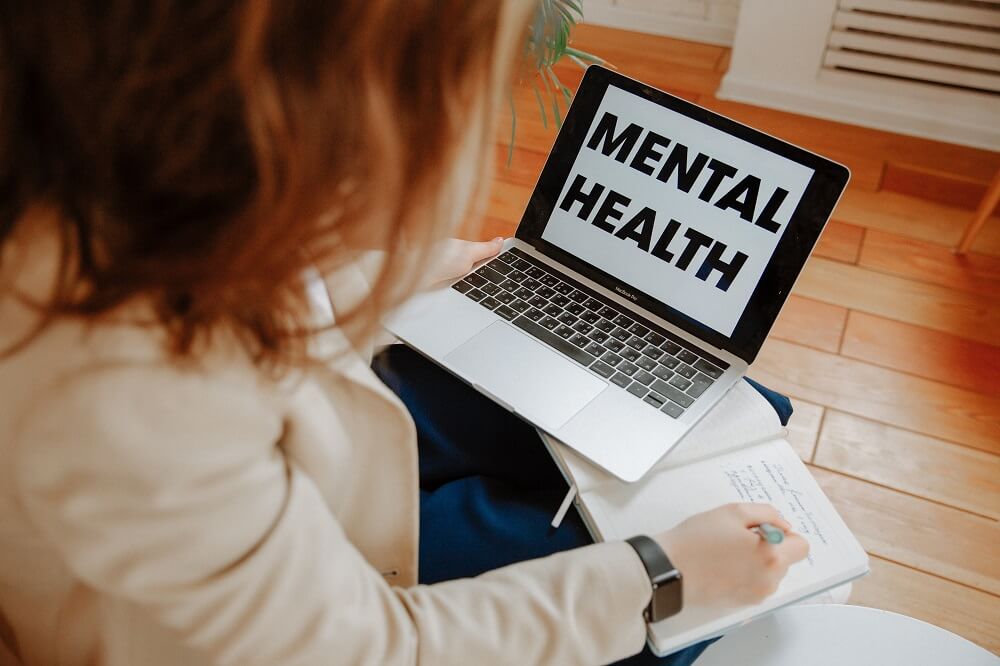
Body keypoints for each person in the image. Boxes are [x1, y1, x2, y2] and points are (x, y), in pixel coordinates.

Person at [0, 2, 809, 665]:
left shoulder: (109, 171)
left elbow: (249, 272)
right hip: (284, 567)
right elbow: (372, 650)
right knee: (683, 611)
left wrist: (420, 265)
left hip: (299, 424)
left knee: (746, 406)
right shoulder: (126, 386)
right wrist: (662, 574)